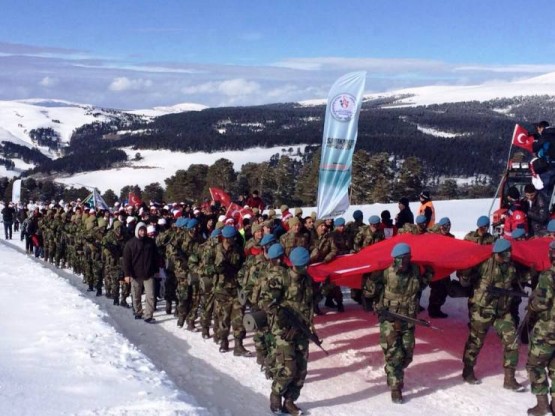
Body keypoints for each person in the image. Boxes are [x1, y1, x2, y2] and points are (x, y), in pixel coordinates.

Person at [459, 239, 526, 391]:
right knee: (475, 341)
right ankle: (468, 370)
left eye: (509, 254)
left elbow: (519, 278)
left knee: (512, 342)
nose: (507, 257)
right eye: (504, 255)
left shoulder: (511, 267)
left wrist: (533, 271)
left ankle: (509, 378)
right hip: (483, 309)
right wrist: (465, 274)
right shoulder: (484, 264)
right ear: (498, 254)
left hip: (502, 311)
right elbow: (465, 277)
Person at [375, 243, 433, 403]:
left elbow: (420, 285)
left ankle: (393, 371)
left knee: (407, 353)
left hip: (409, 320)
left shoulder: (415, 270)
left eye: (407, 259)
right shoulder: (386, 272)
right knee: (395, 354)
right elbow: (372, 290)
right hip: (390, 321)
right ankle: (396, 387)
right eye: (401, 260)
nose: (404, 263)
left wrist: (429, 272)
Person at [264, 246, 314, 415]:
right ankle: (276, 394)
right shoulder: (280, 278)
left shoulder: (307, 280)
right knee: (288, 368)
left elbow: (309, 304)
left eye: (307, 264)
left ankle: (290, 400)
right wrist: (283, 320)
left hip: (302, 329)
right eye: (302, 265)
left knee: (301, 369)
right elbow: (266, 302)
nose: (305, 268)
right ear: (293, 264)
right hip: (283, 330)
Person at [526, 240, 555, 415]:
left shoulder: (548, 276)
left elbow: (541, 303)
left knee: (534, 366)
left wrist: (531, 305)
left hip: (547, 331)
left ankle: (542, 405)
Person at [123, 221, 160, 323]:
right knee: (136, 295)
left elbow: (155, 257)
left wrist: (156, 270)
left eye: (144, 230)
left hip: (149, 274)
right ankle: (138, 312)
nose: (143, 232)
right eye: (141, 230)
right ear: (137, 231)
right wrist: (127, 274)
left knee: (151, 295)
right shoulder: (130, 243)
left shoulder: (150, 242)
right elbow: (126, 261)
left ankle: (148, 315)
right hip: (135, 274)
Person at [428, 217, 454, 318]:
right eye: (443, 226)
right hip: (435, 269)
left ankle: (437, 308)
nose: (445, 228)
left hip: (445, 269)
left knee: (444, 290)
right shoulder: (433, 236)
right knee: (435, 289)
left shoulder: (451, 237)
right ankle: (433, 310)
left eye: (447, 226)